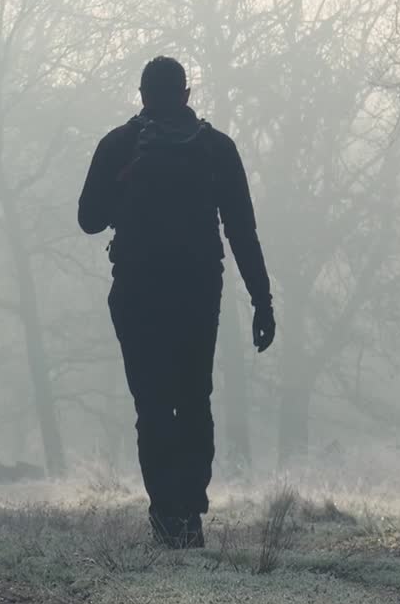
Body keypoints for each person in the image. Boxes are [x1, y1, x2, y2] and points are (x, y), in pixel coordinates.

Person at [78, 56, 275, 548]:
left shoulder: (119, 144)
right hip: (198, 290)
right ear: (187, 94)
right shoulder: (216, 148)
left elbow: (88, 220)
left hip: (137, 292)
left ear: (142, 95)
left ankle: (166, 514)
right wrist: (262, 299)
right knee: (194, 400)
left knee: (151, 405)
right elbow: (242, 231)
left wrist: (124, 181)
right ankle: (190, 510)